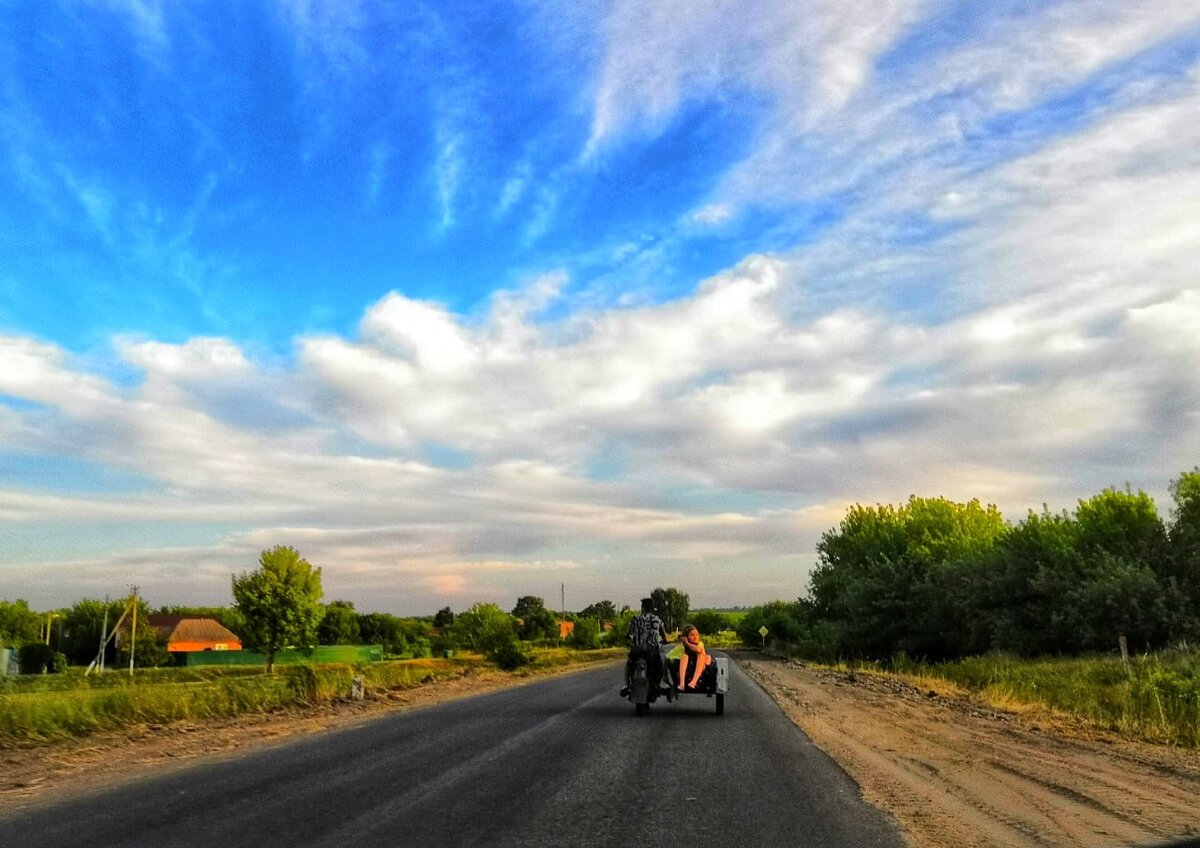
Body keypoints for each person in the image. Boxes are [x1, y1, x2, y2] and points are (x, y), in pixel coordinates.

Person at [625, 597, 669, 694]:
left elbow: (628, 634)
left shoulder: (635, 619)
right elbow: (665, 636)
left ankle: (628, 684)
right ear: (652, 609)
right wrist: (665, 641)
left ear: (643, 607)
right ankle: (656, 684)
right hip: (652, 651)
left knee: (629, 664)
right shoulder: (657, 620)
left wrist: (629, 638)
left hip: (636, 651)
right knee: (660, 665)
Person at [675, 624, 712, 690]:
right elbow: (669, 657)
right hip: (688, 667)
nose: (695, 637)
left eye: (697, 635)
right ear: (686, 637)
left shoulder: (700, 644)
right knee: (684, 656)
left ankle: (694, 682)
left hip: (701, 668)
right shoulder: (682, 647)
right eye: (692, 635)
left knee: (701, 654)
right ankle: (682, 683)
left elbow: (698, 650)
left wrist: (687, 643)